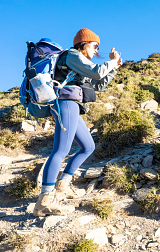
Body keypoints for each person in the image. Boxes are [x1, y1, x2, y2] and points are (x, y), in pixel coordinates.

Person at [34, 28, 122, 216]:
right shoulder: (72, 55)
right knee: (61, 150)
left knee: (88, 147)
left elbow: (98, 84)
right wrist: (112, 60)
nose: (96, 50)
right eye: (94, 45)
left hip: (73, 106)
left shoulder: (82, 65)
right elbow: (97, 72)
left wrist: (114, 69)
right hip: (65, 103)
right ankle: (44, 200)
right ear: (83, 43)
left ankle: (63, 184)